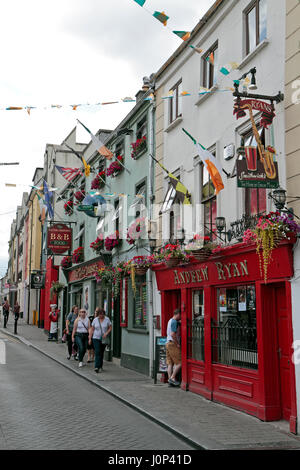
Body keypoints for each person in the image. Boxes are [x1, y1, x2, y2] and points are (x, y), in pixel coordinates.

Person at [89, 308, 112, 373]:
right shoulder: (95, 320)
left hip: (103, 339)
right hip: (95, 338)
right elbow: (92, 329)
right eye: (99, 315)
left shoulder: (107, 319)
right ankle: (96, 367)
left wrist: (106, 333)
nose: (101, 316)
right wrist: (90, 338)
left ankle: (100, 366)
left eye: (102, 315)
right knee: (97, 351)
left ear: (104, 314)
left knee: (101, 353)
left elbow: (110, 327)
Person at [166, 308, 181, 387]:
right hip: (172, 343)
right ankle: (172, 377)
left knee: (170, 363)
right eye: (180, 315)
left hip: (168, 343)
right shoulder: (174, 322)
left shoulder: (170, 320)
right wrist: (177, 343)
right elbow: (173, 334)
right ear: (178, 314)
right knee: (180, 362)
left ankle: (170, 380)